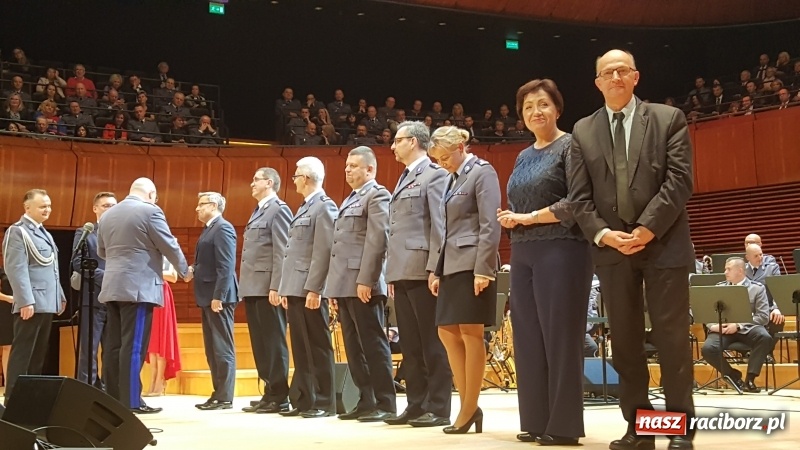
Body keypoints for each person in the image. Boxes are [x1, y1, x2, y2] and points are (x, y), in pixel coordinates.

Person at [569, 49, 695, 450]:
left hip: (663, 244)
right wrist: (604, 235)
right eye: (608, 72)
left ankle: (677, 428)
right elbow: (578, 198)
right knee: (624, 343)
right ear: (598, 82)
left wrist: (646, 229)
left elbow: (679, 182)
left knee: (672, 340)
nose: (616, 77)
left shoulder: (667, 118)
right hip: (611, 250)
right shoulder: (582, 131)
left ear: (636, 77)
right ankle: (640, 429)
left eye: (623, 70)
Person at [497, 79, 592, 446]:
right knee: (528, 338)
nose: (536, 112)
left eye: (543, 104)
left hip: (563, 249)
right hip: (523, 252)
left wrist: (529, 217)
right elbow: (521, 206)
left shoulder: (571, 146)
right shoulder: (523, 156)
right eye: (527, 107)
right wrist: (513, 219)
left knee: (560, 338)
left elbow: (577, 202)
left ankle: (564, 425)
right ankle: (536, 420)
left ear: (557, 108)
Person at [428, 126, 501, 435]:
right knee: (446, 332)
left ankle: (468, 408)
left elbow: (490, 222)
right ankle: (469, 404)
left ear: (461, 146)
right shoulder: (450, 179)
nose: (443, 163)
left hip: (473, 264)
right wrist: (435, 268)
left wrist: (484, 268)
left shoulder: (482, 172)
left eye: (445, 157)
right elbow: (444, 229)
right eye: (438, 159)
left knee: (470, 333)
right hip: (451, 265)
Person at [96, 177, 189, 414]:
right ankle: (131, 402)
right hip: (138, 288)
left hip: (112, 286)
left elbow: (102, 251)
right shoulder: (150, 211)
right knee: (134, 346)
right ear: (151, 194)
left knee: (114, 346)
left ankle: (114, 400)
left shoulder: (107, 215)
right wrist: (185, 271)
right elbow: (169, 244)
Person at [384, 121, 452, 427]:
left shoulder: (434, 175)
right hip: (403, 271)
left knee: (431, 343)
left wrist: (435, 269)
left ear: (413, 142)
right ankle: (415, 403)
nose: (393, 146)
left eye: (397, 140)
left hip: (424, 271)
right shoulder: (405, 178)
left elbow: (440, 225)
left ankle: (438, 406)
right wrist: (392, 274)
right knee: (410, 345)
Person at [326, 147, 396, 423]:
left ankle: (385, 402)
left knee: (373, 344)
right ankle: (366, 400)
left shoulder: (377, 194)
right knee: (354, 347)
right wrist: (334, 288)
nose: (348, 170)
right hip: (345, 285)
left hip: (363, 283)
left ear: (370, 169)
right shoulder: (349, 200)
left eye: (354, 166)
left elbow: (378, 239)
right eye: (346, 166)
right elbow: (339, 249)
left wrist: (366, 278)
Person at [277, 157, 337, 418]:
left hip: (309, 289)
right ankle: (305, 399)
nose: (294, 180)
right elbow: (293, 253)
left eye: (297, 175)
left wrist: (316, 288)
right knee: (301, 346)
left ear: (308, 178)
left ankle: (324, 401)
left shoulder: (324, 207)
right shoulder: (305, 207)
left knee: (318, 345)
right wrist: (285, 288)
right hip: (295, 287)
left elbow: (324, 251)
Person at [2, 190, 67, 404]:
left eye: (49, 206)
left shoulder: (43, 232)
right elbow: (16, 268)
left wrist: (60, 296)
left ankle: (31, 398)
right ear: (27, 207)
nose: (47, 210)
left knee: (39, 354)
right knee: (24, 353)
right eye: (42, 206)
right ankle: (13, 398)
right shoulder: (18, 231)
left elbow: (52, 269)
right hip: (31, 302)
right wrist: (25, 300)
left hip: (47, 301)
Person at [240, 168, 292, 414]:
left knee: (273, 342)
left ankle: (280, 394)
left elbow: (282, 250)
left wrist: (277, 286)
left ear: (269, 182)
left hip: (267, 288)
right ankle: (269, 390)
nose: (252, 183)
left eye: (255, 179)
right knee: (260, 343)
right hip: (252, 287)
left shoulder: (278, 210)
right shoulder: (258, 211)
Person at [188, 192, 239, 410]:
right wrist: (192, 269)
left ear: (214, 205)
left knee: (222, 347)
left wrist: (219, 295)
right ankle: (217, 393)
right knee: (212, 348)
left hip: (219, 297)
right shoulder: (209, 229)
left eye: (201, 205)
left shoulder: (223, 228)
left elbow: (226, 266)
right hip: (208, 296)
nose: (197, 209)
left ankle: (225, 396)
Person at [701, 258, 771, 393]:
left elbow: (763, 317)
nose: (725, 272)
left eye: (728, 269)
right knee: (708, 349)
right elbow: (707, 313)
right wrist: (712, 326)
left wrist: (738, 325)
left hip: (748, 329)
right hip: (723, 329)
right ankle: (732, 375)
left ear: (740, 271)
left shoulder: (757, 288)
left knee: (765, 337)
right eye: (725, 269)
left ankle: (750, 378)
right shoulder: (719, 288)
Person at [72, 192, 117, 388]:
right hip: (93, 300)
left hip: (116, 301)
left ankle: (109, 392)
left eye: (114, 205)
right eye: (106, 205)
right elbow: (77, 262)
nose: (111, 209)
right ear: (95, 208)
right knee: (88, 350)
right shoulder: (85, 233)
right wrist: (105, 277)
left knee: (113, 350)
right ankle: (87, 390)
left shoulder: (122, 234)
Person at [144, 258, 182, 397]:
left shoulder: (166, 253)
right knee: (152, 338)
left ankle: (160, 381)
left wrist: (153, 271)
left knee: (162, 336)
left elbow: (173, 277)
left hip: (162, 292)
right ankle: (152, 379)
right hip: (149, 293)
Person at [0, 268, 14, 389]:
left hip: (10, 312)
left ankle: (7, 384)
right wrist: (10, 299)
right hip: (3, 309)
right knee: (6, 347)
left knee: (8, 347)